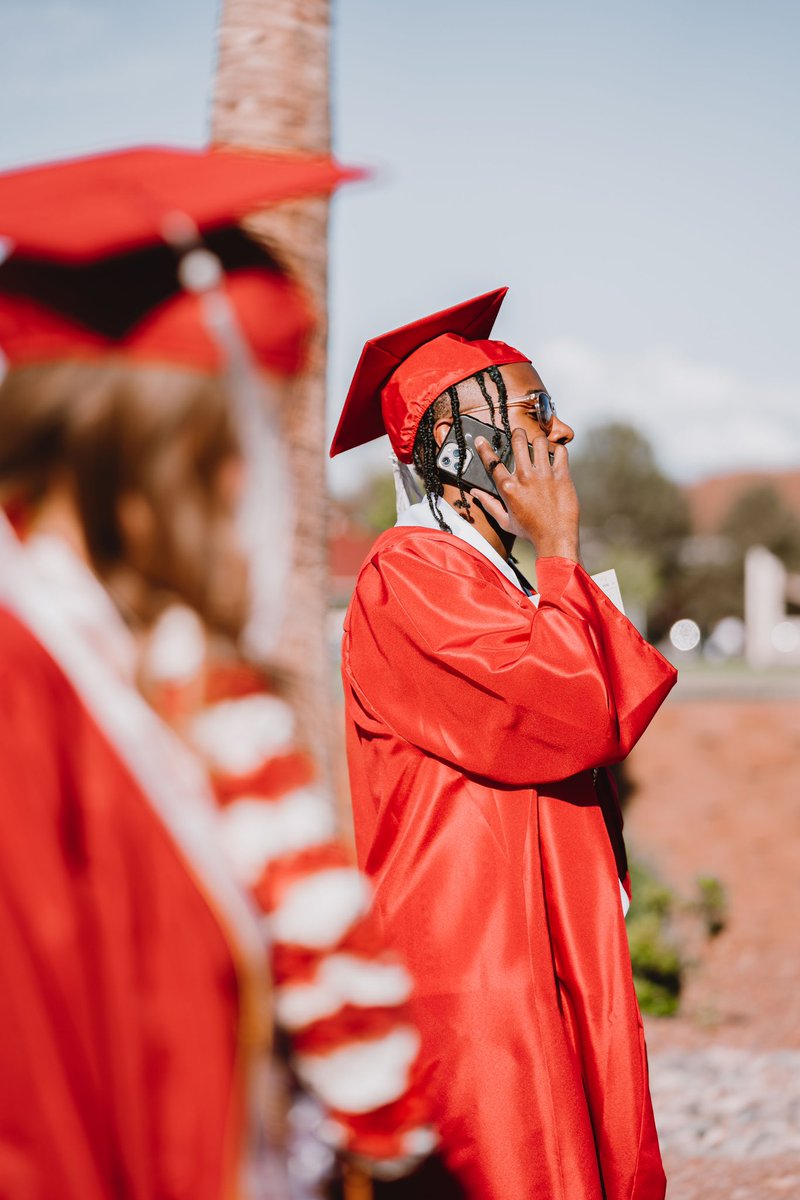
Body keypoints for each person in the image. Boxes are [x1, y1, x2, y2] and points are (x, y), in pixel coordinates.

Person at [0, 146, 434, 1200]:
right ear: (148, 449)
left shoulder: (147, 665)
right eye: (238, 439)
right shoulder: (24, 687)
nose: (254, 483)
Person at [329, 287, 678, 1200]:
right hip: (474, 960)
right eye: (533, 412)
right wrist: (561, 550)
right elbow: (560, 715)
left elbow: (614, 707)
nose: (560, 436)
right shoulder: (405, 577)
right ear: (455, 446)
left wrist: (553, 565)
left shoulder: (496, 577)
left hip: (538, 943)